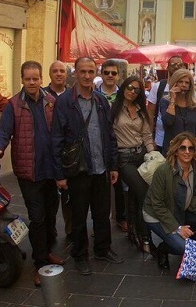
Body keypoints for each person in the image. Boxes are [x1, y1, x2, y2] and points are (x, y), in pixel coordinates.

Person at [0, 61, 63, 287]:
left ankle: (47, 251)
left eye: (35, 78)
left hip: (51, 170)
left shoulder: (51, 102)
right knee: (37, 218)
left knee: (51, 214)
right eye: (28, 78)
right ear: (22, 79)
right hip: (29, 171)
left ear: (41, 79)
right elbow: (4, 132)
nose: (32, 82)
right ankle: (40, 264)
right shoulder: (14, 105)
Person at [52, 56, 123, 275]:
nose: (87, 75)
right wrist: (60, 174)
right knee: (79, 216)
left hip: (101, 167)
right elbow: (57, 138)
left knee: (102, 213)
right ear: (75, 73)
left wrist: (113, 165)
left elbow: (109, 134)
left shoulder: (100, 101)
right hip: (78, 169)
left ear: (96, 73)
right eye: (82, 71)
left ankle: (103, 248)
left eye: (91, 71)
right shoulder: (65, 101)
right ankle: (80, 255)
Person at [143, 132, 196, 270]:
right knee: (180, 247)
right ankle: (168, 249)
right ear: (176, 150)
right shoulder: (163, 171)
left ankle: (186, 250)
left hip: (178, 209)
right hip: (155, 214)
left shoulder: (195, 170)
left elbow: (194, 198)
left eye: (191, 148)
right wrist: (178, 228)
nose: (187, 151)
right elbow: (157, 205)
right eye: (183, 148)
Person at [111, 75, 156, 253]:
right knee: (143, 193)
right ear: (123, 88)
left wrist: (153, 155)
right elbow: (109, 136)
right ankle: (146, 237)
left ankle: (133, 232)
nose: (132, 91)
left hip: (141, 156)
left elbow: (147, 136)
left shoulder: (140, 110)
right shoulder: (114, 109)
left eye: (136, 89)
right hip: (124, 158)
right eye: (129, 87)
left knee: (134, 195)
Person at [97, 59, 126, 231]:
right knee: (100, 187)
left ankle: (120, 217)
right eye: (106, 72)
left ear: (118, 76)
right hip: (99, 145)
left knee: (119, 185)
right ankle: (101, 223)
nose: (110, 75)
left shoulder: (124, 95)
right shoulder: (94, 95)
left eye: (113, 73)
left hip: (120, 144)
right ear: (101, 74)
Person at [45, 60, 72, 237]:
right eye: (55, 71)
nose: (59, 74)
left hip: (68, 153)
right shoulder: (42, 94)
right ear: (50, 74)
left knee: (69, 198)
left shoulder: (72, 95)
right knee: (49, 198)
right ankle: (50, 230)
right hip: (48, 151)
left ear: (66, 74)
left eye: (62, 71)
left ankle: (71, 231)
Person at [147, 55, 186, 150]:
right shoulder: (158, 86)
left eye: (179, 64)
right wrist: (150, 138)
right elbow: (150, 114)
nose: (176, 67)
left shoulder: (188, 87)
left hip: (183, 141)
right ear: (168, 67)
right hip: (161, 139)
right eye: (173, 64)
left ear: (183, 67)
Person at [160, 68, 196, 152]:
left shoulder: (194, 104)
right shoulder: (165, 102)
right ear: (174, 83)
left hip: (190, 150)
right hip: (172, 150)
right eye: (180, 82)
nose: (183, 85)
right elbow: (168, 122)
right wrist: (172, 100)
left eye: (187, 83)